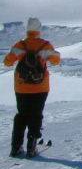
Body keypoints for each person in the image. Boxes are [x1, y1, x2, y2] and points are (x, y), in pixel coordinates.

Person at [4, 18, 61, 157]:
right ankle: (31, 147)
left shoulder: (21, 45)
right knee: (36, 115)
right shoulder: (45, 45)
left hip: (21, 87)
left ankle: (16, 147)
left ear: (27, 30)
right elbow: (56, 60)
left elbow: (7, 62)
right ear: (39, 30)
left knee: (21, 115)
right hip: (40, 87)